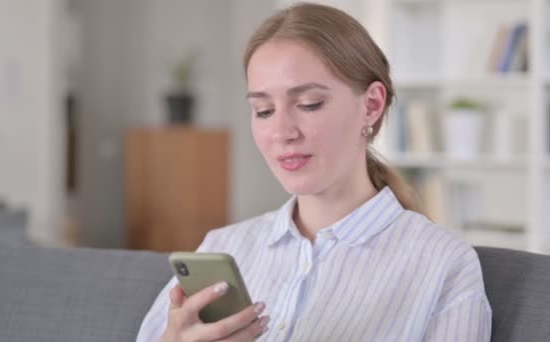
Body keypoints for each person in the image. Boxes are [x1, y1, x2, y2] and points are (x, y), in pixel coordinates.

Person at [137, 2, 492, 341]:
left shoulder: (443, 264)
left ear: (371, 105)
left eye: (309, 104)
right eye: (263, 110)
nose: (281, 132)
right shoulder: (222, 247)